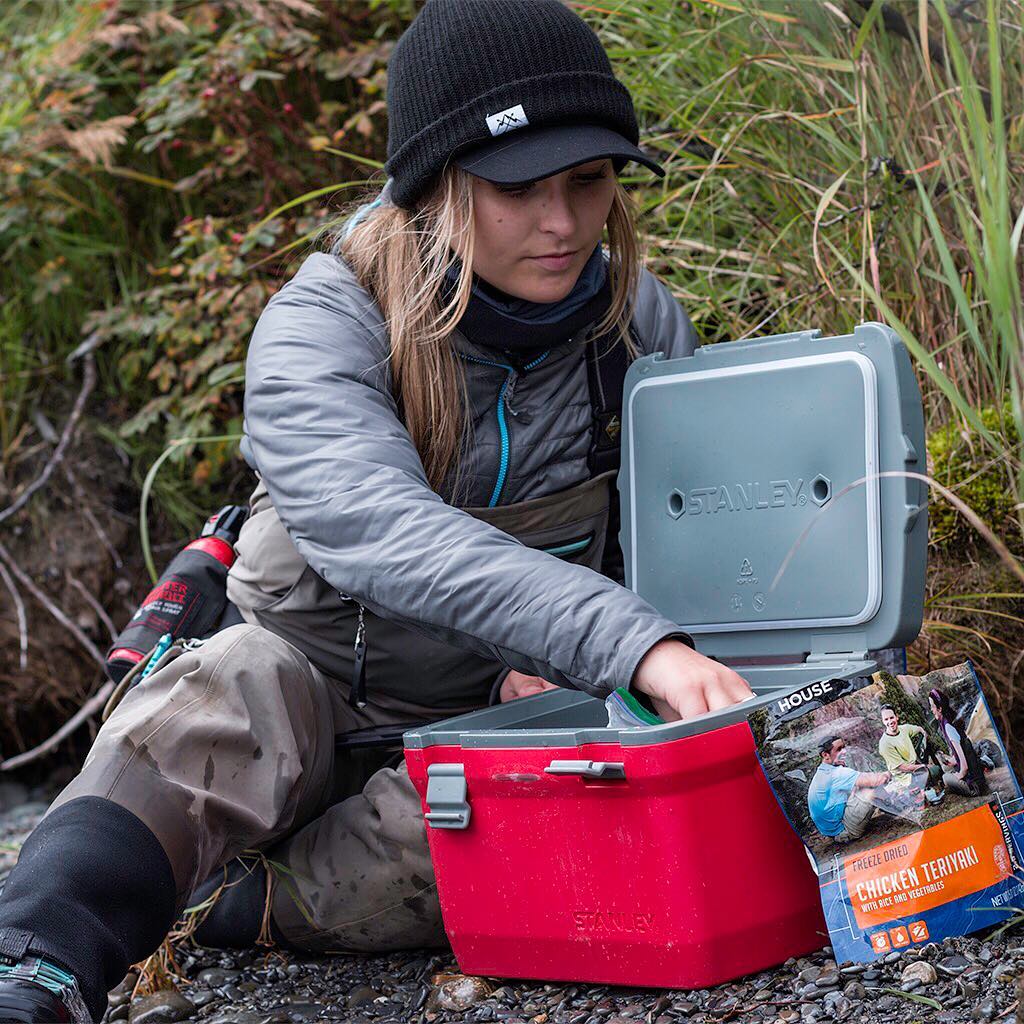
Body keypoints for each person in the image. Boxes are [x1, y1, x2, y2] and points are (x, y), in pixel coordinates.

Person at [0, 2, 754, 1021]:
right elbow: (386, 534)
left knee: (542, 831)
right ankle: (37, 962)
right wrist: (635, 644)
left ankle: (236, 897)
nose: (564, 222)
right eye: (517, 188)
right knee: (221, 693)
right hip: (299, 694)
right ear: (437, 189)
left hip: (483, 718)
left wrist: (559, 669)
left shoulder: (637, 326)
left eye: (588, 181)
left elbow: (672, 543)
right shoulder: (321, 324)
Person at [807, 737, 892, 844]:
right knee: (871, 789)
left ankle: (890, 807)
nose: (845, 751)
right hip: (844, 831)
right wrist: (891, 772)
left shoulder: (823, 771)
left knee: (860, 784)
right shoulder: (836, 774)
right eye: (839, 749)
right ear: (825, 755)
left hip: (832, 829)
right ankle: (898, 808)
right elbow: (876, 781)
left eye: (844, 747)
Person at [877, 704, 943, 805]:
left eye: (891, 717)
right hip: (905, 777)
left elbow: (919, 729)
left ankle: (924, 790)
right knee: (935, 771)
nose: (890, 722)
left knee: (933, 769)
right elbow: (903, 767)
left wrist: (924, 734)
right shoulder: (885, 743)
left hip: (914, 768)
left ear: (896, 717)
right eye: (886, 719)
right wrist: (924, 765)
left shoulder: (904, 729)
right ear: (883, 721)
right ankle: (916, 794)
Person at [928, 687, 988, 797]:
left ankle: (968, 787)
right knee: (947, 767)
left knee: (945, 777)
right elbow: (962, 751)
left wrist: (958, 775)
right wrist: (953, 761)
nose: (931, 710)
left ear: (939, 708)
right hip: (976, 773)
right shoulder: (949, 721)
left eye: (932, 706)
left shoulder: (948, 727)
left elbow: (964, 768)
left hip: (975, 786)